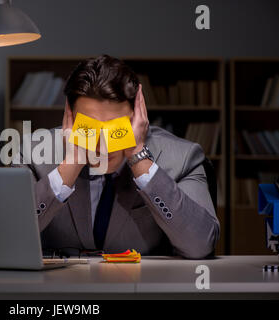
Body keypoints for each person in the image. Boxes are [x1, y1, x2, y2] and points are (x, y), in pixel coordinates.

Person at [13, 55, 220, 259]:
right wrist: (71, 164)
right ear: (70, 117)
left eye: (116, 128)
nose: (102, 143)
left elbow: (199, 245)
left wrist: (139, 157)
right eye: (89, 127)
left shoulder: (182, 158)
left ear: (138, 116)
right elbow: (10, 235)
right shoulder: (33, 154)